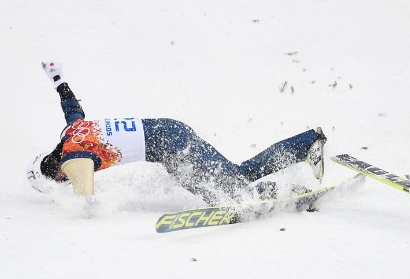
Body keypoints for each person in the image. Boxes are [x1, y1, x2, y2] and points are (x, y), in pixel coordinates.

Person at [27, 61, 327, 205]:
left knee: (234, 179)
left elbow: (86, 199)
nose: (64, 182)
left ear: (54, 171)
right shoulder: (72, 132)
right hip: (167, 140)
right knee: (216, 192)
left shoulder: (73, 160)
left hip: (170, 143)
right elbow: (69, 103)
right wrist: (57, 78)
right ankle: (283, 193)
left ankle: (306, 143)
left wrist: (84, 208)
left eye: (58, 182)